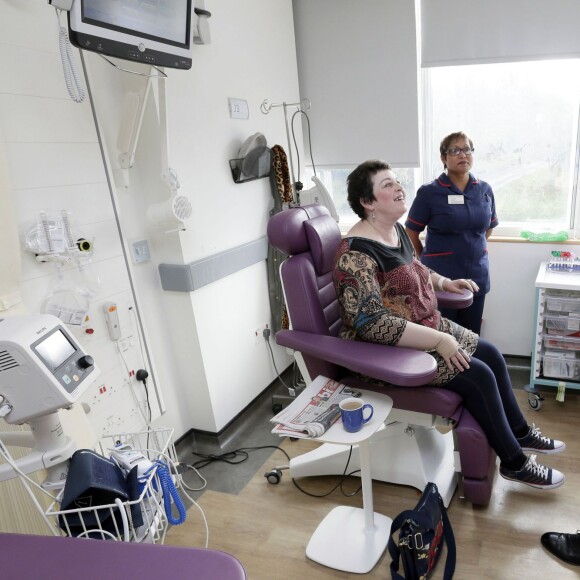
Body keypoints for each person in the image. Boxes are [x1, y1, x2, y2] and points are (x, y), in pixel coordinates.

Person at [333, 159, 565, 490]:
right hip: (388, 351)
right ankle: (514, 463)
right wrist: (440, 342)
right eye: (387, 185)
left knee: (493, 355)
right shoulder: (353, 255)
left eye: (397, 181)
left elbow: (416, 270)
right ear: (367, 202)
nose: (399, 187)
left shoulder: (394, 231)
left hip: (427, 325)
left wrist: (444, 282)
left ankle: (521, 434)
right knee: (479, 375)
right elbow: (372, 324)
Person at [405, 131, 497, 335]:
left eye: (467, 149)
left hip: (477, 275)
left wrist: (472, 247)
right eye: (455, 150)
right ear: (443, 158)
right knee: (442, 336)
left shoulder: (484, 190)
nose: (462, 155)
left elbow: (488, 228)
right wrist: (424, 259)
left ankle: (470, 368)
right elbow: (410, 232)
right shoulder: (429, 192)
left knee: (471, 336)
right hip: (440, 278)